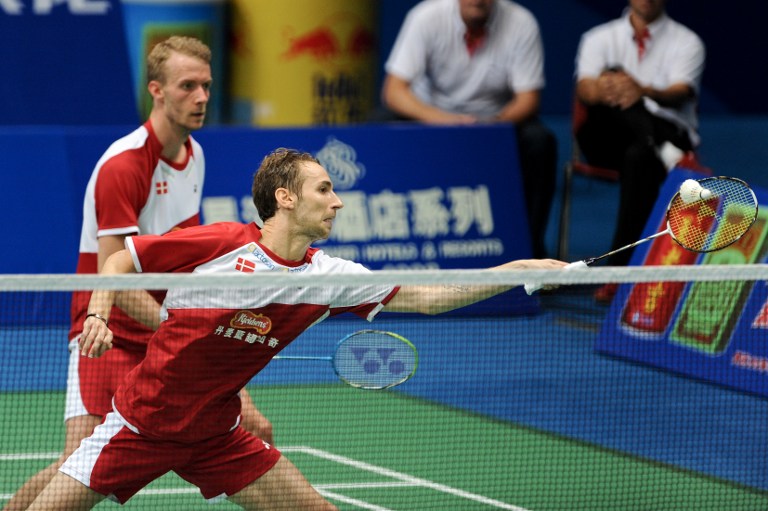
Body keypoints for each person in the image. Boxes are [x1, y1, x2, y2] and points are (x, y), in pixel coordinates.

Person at [28, 148, 567, 510]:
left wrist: (515, 273)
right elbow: (121, 260)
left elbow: (428, 298)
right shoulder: (221, 246)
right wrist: (99, 311)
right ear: (285, 198)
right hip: (141, 428)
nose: (337, 201)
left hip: (217, 436)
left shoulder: (328, 277)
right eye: (324, 189)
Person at [3, 36, 272, 511]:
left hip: (159, 329)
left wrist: (204, 316)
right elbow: (115, 277)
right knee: (78, 462)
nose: (202, 97)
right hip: (105, 330)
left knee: (256, 425)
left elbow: (183, 256)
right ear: (157, 91)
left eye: (206, 86)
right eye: (188, 86)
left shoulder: (195, 156)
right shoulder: (124, 165)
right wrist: (183, 329)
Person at [381, 0, 557, 259]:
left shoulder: (522, 23)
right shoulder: (425, 17)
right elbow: (394, 91)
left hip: (495, 122)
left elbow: (528, 99)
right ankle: (393, 246)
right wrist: (442, 120)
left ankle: (529, 250)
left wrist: (490, 128)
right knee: (381, 123)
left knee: (540, 141)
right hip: (434, 118)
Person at [573, 0, 705, 299]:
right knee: (611, 95)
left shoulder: (687, 41)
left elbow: (679, 93)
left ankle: (617, 274)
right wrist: (612, 86)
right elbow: (585, 90)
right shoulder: (598, 37)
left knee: (639, 156)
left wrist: (641, 90)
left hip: (662, 133)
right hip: (606, 139)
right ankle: (667, 150)